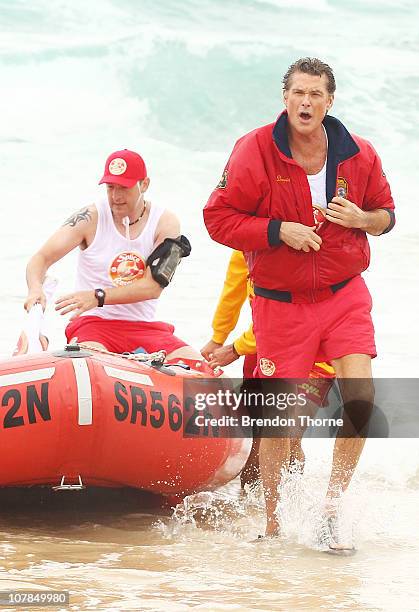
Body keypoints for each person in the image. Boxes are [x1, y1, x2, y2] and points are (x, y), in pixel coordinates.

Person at [203, 58, 395, 550]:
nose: (306, 103)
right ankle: (272, 525)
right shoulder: (253, 151)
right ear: (284, 98)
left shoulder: (360, 154)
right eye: (298, 94)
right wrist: (276, 231)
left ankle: (332, 508)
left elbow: (388, 217)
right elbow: (217, 218)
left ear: (331, 102)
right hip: (280, 303)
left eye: (316, 95)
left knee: (361, 396)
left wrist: (362, 218)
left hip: (343, 293)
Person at [25, 149, 200, 361]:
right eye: (110, 187)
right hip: (93, 325)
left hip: (143, 328)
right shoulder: (90, 217)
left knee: (199, 368)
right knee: (92, 364)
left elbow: (153, 287)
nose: (115, 197)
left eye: (124, 188)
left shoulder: (165, 222)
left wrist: (97, 297)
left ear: (144, 184)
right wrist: (35, 288)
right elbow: (41, 258)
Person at [201, 249, 335, 489]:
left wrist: (235, 348)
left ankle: (291, 503)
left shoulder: (303, 243)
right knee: (255, 440)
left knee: (288, 433)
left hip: (316, 355)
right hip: (262, 348)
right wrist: (217, 339)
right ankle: (250, 508)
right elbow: (232, 294)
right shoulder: (244, 245)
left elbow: (287, 316)